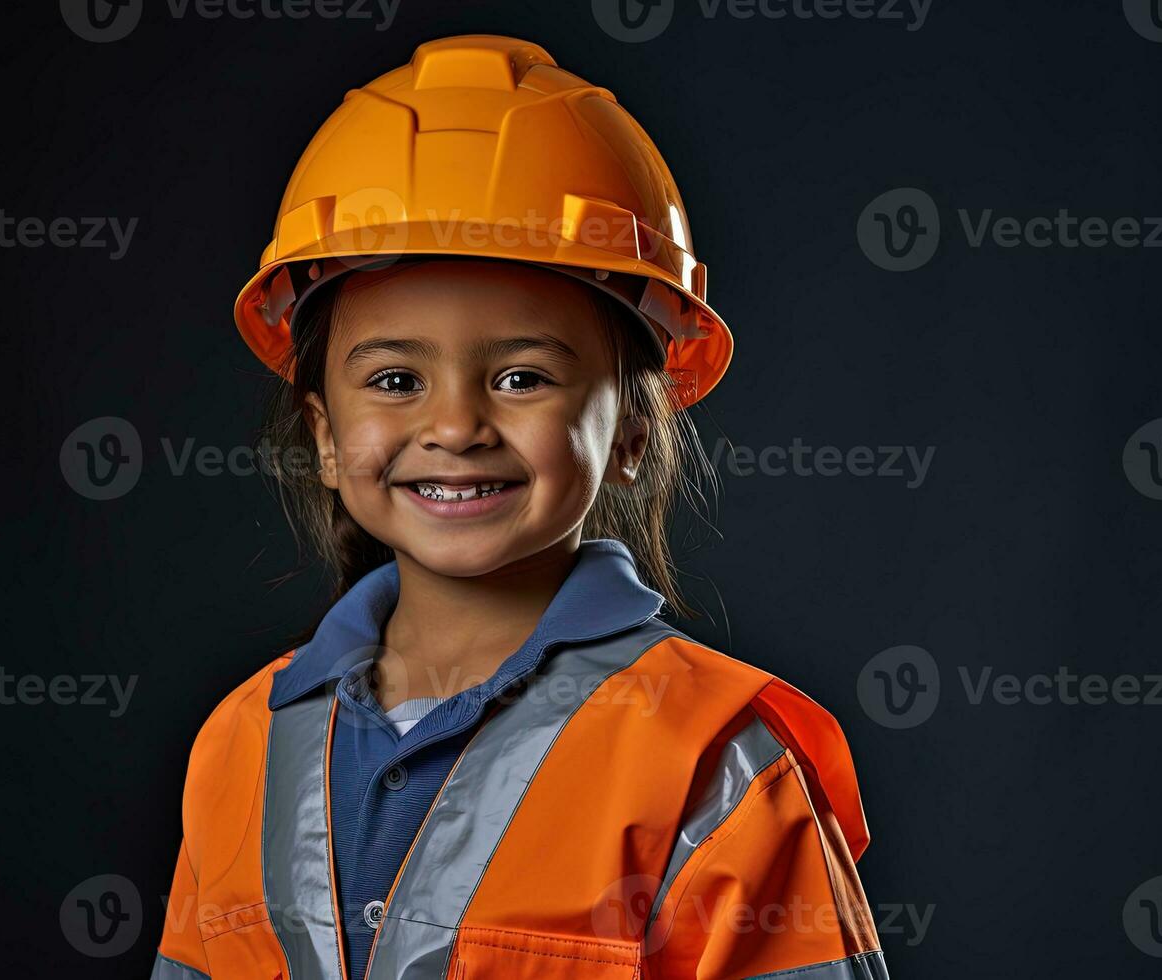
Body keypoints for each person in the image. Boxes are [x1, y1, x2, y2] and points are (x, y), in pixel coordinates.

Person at [153, 34, 889, 980]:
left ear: (629, 431)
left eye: (521, 375)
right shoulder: (242, 743)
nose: (456, 424)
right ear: (328, 437)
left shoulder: (715, 758)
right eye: (394, 378)